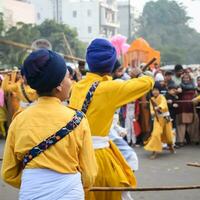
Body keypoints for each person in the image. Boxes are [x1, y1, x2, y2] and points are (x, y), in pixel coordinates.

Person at [1, 49, 98, 200]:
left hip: (30, 193)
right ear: (59, 85)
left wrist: (35, 183)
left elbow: (8, 173)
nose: (70, 81)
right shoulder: (78, 120)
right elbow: (90, 174)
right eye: (68, 77)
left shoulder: (18, 120)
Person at [69, 38, 154, 200]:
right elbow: (146, 83)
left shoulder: (77, 86)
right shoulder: (110, 88)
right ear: (110, 65)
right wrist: (142, 74)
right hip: (98, 156)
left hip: (75, 154)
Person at [144, 82, 175, 159]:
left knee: (168, 136)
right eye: (153, 90)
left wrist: (159, 107)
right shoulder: (151, 99)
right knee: (155, 134)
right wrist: (152, 113)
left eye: (156, 90)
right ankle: (154, 151)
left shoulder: (162, 97)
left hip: (166, 119)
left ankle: (170, 146)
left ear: (159, 90)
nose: (155, 91)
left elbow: (164, 105)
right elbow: (151, 109)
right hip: (157, 120)